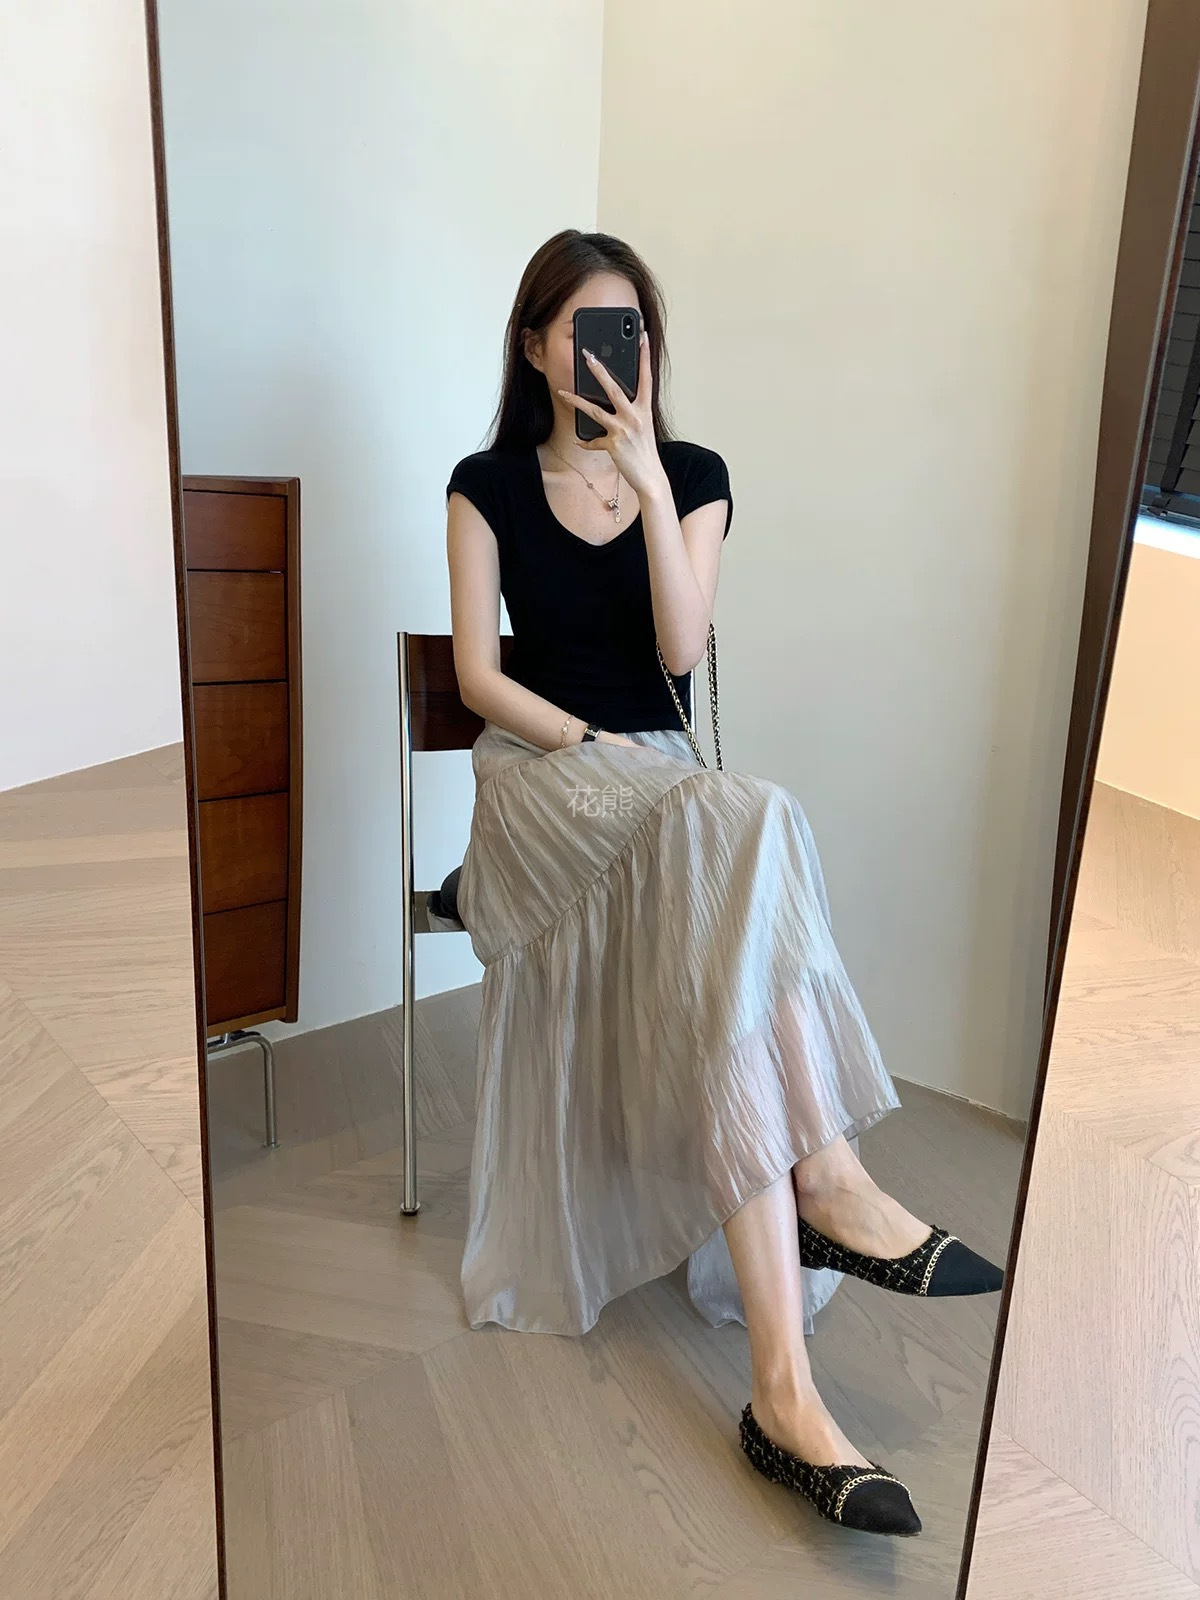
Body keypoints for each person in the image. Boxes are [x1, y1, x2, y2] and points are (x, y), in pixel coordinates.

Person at [443, 228, 1002, 1539]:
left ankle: (783, 1394)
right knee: (751, 816)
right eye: (586, 328)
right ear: (534, 344)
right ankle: (829, 1180)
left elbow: (682, 651)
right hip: (541, 779)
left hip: (665, 794)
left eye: (632, 330)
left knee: (730, 862)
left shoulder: (692, 476)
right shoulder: (486, 483)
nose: (613, 353)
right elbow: (475, 675)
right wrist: (588, 741)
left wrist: (642, 478)